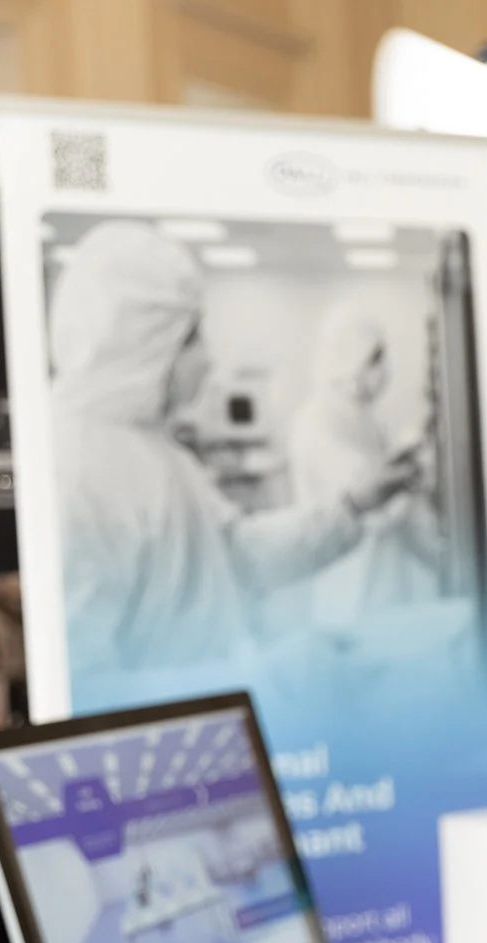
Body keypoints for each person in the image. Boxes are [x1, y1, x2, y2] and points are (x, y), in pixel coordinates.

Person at [47, 222, 419, 700]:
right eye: (194, 337)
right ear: (143, 344)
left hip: (214, 732)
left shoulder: (152, 452)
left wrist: (350, 507)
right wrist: (257, 681)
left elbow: (238, 556)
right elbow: (88, 689)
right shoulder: (78, 472)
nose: (209, 358)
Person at [285, 305, 444, 630]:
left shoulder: (366, 417)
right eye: (375, 359)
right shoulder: (318, 419)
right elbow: (365, 493)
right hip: (348, 579)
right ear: (348, 358)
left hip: (384, 578)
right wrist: (409, 475)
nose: (383, 370)